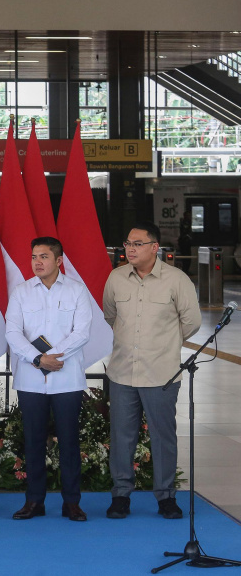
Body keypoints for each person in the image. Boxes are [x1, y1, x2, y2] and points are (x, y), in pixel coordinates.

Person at [103, 222, 201, 520]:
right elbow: (110, 315)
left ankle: (166, 497)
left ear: (154, 247)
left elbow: (192, 322)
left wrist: (163, 344)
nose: (130, 248)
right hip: (122, 372)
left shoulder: (176, 280)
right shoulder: (116, 278)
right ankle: (121, 495)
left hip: (161, 373)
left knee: (162, 436)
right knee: (122, 436)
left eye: (137, 243)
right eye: (127, 243)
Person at [5, 237, 92, 522]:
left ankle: (72, 503)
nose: (37, 262)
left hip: (67, 378)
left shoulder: (77, 291)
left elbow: (81, 332)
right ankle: (34, 501)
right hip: (31, 378)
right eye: (33, 257)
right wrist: (38, 359)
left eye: (44, 256)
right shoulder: (20, 292)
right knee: (33, 442)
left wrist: (53, 357)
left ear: (59, 260)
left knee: (68, 441)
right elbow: (12, 332)